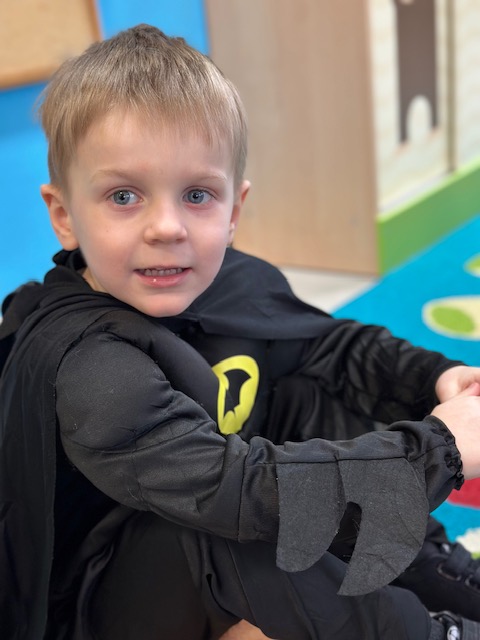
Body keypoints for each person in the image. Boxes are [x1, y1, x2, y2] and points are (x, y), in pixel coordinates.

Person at [1, 24, 480, 640]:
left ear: (234, 211)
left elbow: (333, 346)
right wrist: (439, 449)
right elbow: (238, 493)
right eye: (123, 196)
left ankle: (425, 569)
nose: (167, 227)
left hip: (206, 525)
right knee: (229, 522)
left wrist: (438, 378)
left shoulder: (230, 280)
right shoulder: (90, 367)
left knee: (304, 390)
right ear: (64, 214)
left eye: (197, 194)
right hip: (104, 594)